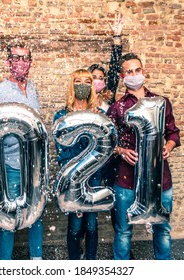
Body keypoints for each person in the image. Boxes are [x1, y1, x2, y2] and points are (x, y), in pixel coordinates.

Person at [106, 53, 181, 260]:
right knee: (123, 231)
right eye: (129, 71)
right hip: (126, 178)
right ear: (123, 76)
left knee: (162, 229)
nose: (134, 74)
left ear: (143, 72)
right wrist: (121, 151)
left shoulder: (161, 102)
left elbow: (173, 132)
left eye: (137, 70)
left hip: (160, 178)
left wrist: (169, 146)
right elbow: (107, 142)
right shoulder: (117, 108)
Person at [0, 39, 43, 260]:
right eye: (16, 58)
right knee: (7, 216)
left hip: (34, 165)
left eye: (25, 58)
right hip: (10, 165)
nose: (21, 62)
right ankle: (5, 265)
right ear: (8, 62)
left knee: (36, 214)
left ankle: (36, 262)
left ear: (30, 62)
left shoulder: (33, 88)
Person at [53, 69, 103, 260]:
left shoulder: (99, 115)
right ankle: (75, 261)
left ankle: (90, 262)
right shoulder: (61, 115)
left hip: (94, 178)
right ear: (72, 85)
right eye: (78, 81)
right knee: (75, 224)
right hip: (73, 178)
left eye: (87, 81)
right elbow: (61, 150)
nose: (82, 85)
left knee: (91, 224)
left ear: (92, 86)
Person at [88, 13, 124, 112]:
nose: (97, 81)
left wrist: (117, 37)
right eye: (94, 77)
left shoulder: (108, 98)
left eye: (101, 78)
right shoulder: (81, 99)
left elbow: (115, 67)